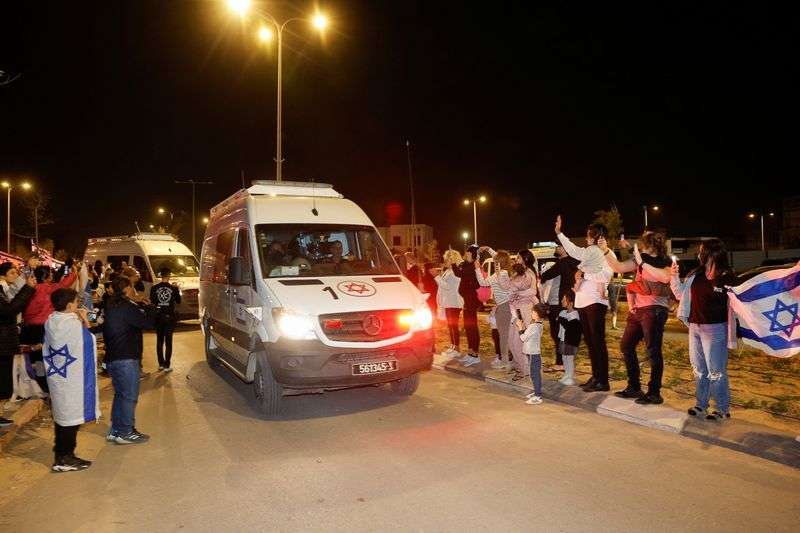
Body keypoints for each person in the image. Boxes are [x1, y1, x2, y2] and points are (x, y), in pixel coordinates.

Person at [598, 231, 672, 404]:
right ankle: (634, 387)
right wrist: (605, 250)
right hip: (639, 310)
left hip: (654, 309)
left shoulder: (665, 261)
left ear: (650, 245)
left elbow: (665, 277)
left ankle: (654, 392)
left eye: (643, 244)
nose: (641, 247)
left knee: (653, 351)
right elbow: (618, 267)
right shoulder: (640, 260)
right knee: (626, 345)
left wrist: (642, 261)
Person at [671, 239, 736, 421]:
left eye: (701, 251)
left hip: (716, 329)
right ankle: (701, 406)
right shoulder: (695, 275)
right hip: (695, 327)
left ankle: (722, 410)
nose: (698, 254)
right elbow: (679, 294)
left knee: (716, 371)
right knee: (699, 369)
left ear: (712, 253)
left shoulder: (726, 276)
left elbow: (738, 302)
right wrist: (674, 277)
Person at [555, 215, 615, 392]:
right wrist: (559, 233)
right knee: (590, 342)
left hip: (595, 302)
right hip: (583, 301)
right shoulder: (589, 252)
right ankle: (596, 376)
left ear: (598, 236)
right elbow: (573, 250)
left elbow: (606, 274)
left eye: (590, 235)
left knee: (598, 341)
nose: (587, 237)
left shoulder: (606, 253)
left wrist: (584, 274)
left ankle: (603, 380)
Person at [44, 288, 99, 472]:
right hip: (73, 380)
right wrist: (84, 320)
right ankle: (64, 458)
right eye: (76, 302)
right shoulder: (72, 325)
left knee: (62, 415)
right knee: (71, 417)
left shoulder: (51, 321)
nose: (78, 305)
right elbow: (89, 341)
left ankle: (60, 451)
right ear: (69, 305)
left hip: (59, 378)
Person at [103, 276, 156, 444]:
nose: (135, 291)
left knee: (120, 394)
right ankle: (126, 431)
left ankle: (116, 430)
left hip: (113, 358)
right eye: (132, 287)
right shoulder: (128, 307)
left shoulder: (111, 305)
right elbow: (147, 323)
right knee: (129, 397)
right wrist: (150, 308)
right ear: (126, 289)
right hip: (126, 358)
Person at [21, 261, 79, 392]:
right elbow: (67, 282)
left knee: (33, 359)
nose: (52, 275)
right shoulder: (52, 288)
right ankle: (44, 386)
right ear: (47, 276)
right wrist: (74, 271)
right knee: (44, 358)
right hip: (44, 328)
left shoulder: (29, 288)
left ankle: (34, 384)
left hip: (29, 329)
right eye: (51, 274)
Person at [0, 273, 36, 427]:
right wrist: (28, 289)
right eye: (12, 272)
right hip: (2, 343)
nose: (15, 275)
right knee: (1, 380)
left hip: (4, 343)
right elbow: (9, 311)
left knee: (2, 382)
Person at [539, 246, 580, 371]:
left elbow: (545, 275)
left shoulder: (562, 263)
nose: (556, 247)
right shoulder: (574, 262)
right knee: (561, 334)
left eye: (559, 245)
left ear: (565, 249)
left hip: (559, 304)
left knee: (558, 333)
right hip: (564, 303)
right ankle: (563, 363)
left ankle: (560, 362)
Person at [503, 254, 539, 380]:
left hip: (524, 310)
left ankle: (523, 369)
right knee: (511, 341)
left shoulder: (529, 273)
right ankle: (521, 367)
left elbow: (533, 291)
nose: (516, 259)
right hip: (515, 310)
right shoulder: (516, 273)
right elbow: (507, 288)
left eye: (518, 257)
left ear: (525, 259)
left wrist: (518, 293)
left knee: (518, 341)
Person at [477, 247, 513, 370]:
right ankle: (508, 359)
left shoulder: (499, 275)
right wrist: (488, 249)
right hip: (505, 305)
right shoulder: (506, 271)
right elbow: (497, 258)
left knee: (503, 335)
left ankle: (505, 361)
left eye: (496, 260)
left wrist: (477, 268)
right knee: (506, 334)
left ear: (499, 262)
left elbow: (482, 282)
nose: (494, 260)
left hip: (503, 306)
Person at [452, 245, 483, 366]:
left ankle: (475, 354)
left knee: (472, 326)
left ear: (473, 254)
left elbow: (462, 273)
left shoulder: (473, 266)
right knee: (468, 326)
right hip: (467, 299)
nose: (466, 254)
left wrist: (456, 264)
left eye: (469, 253)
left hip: (471, 299)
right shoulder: (466, 264)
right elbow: (459, 273)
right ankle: (470, 352)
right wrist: (455, 264)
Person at [150, 268, 181, 371]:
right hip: (169, 317)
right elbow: (179, 301)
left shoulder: (154, 288)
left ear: (161, 276)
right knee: (168, 341)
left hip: (158, 317)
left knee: (159, 341)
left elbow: (153, 301)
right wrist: (177, 289)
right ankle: (167, 365)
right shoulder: (174, 288)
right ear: (169, 276)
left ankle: (161, 364)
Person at [435, 249, 464, 358]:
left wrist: (436, 277)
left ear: (451, 260)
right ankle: (453, 346)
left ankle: (456, 348)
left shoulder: (455, 272)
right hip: (448, 302)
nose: (445, 261)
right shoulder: (448, 271)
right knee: (450, 325)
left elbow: (447, 286)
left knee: (454, 325)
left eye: (446, 259)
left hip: (454, 302)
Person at [519, 303, 549, 405]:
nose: (531, 313)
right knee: (535, 373)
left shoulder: (533, 326)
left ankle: (538, 396)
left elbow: (523, 338)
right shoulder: (539, 325)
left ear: (537, 314)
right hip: (533, 352)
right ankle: (536, 392)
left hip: (533, 353)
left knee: (534, 374)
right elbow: (528, 336)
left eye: (533, 312)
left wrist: (520, 327)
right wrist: (524, 328)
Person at [557, 290, 581, 386]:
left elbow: (569, 326)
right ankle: (566, 375)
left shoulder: (575, 315)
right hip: (563, 339)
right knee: (564, 357)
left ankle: (570, 377)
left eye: (564, 300)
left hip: (571, 341)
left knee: (569, 358)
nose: (562, 301)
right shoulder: (563, 312)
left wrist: (560, 319)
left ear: (570, 303)